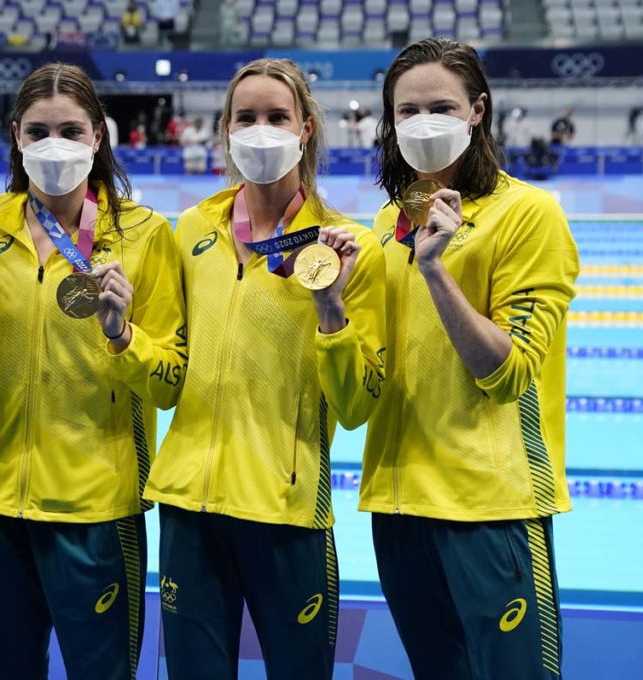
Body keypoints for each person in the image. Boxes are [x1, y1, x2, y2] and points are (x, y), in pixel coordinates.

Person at [0, 62, 187, 680]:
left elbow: (170, 383)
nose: (56, 145)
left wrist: (121, 336)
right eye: (40, 130)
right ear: (17, 136)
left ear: (98, 138)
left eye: (72, 131)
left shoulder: (146, 235)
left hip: (98, 511)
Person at [144, 57, 387, 679]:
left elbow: (358, 407)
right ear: (224, 129)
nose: (260, 130)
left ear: (305, 128)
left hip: (286, 512)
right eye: (245, 117)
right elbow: (173, 365)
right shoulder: (195, 229)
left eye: (276, 116)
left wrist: (330, 309)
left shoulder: (345, 247)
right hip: (189, 507)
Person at [366, 38, 580, 679]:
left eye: (441, 106)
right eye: (407, 111)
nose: (423, 122)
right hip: (400, 504)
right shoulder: (386, 224)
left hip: (494, 505)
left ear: (477, 111)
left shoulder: (529, 214)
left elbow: (510, 372)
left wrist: (435, 271)